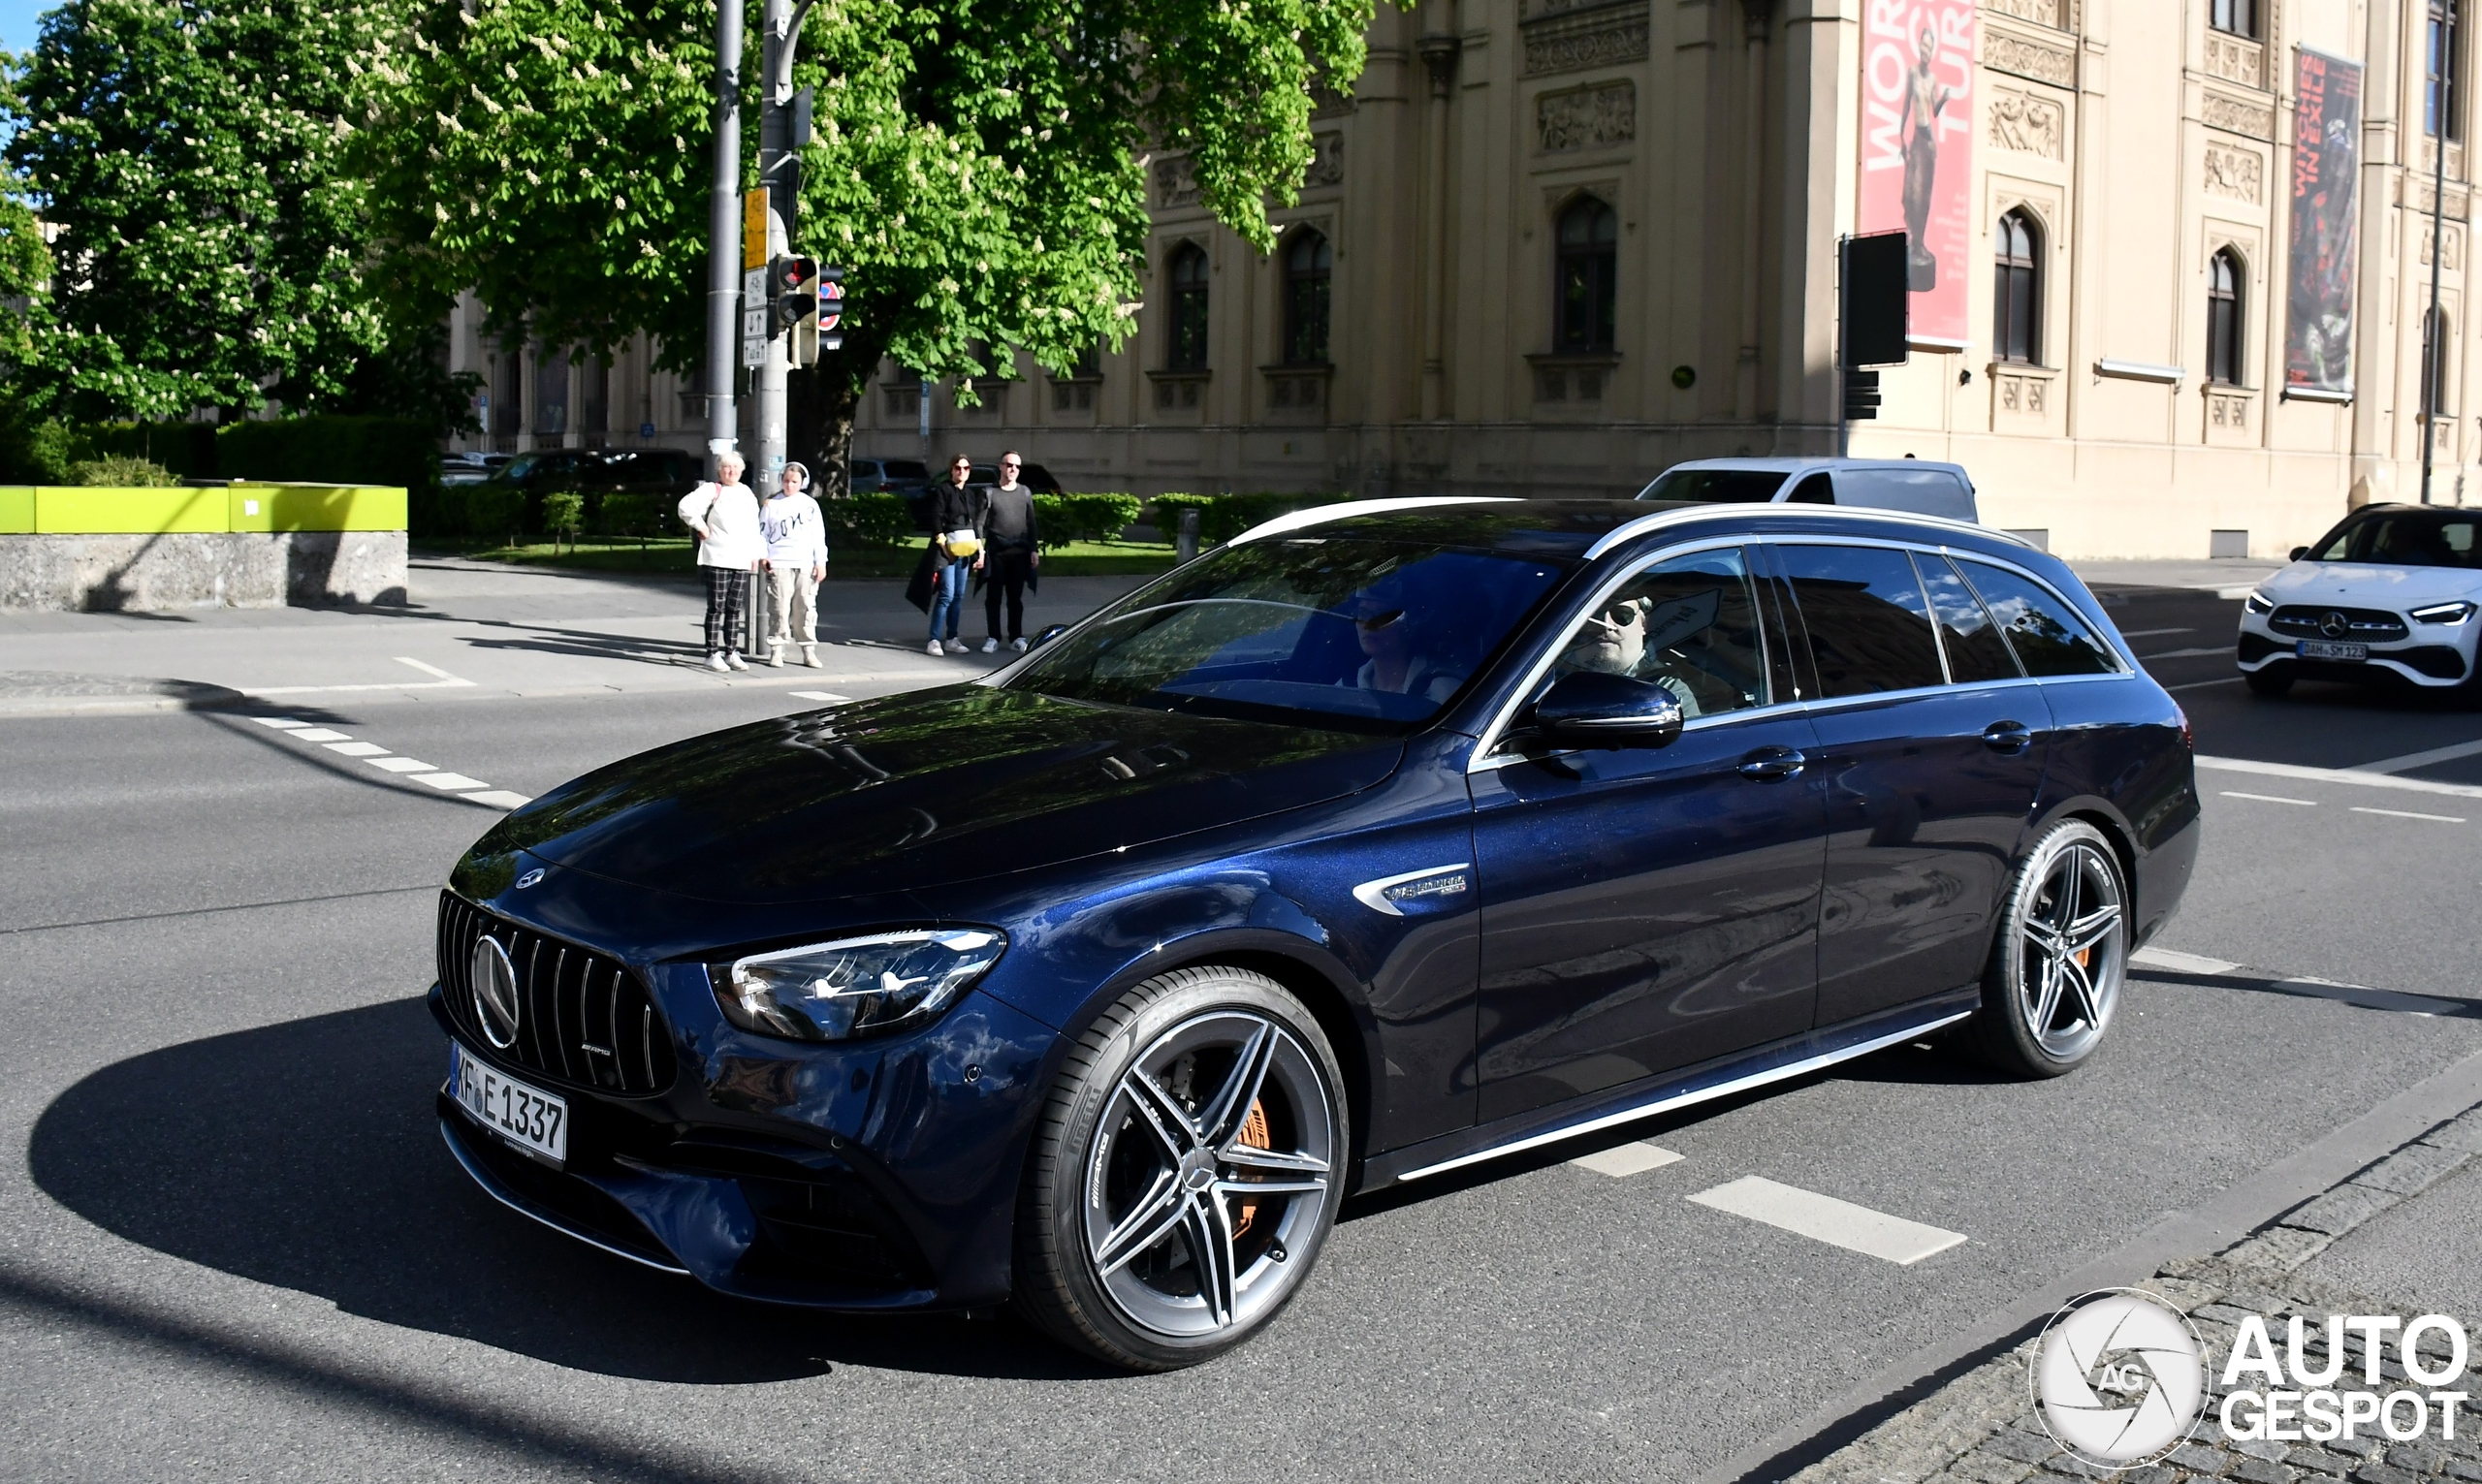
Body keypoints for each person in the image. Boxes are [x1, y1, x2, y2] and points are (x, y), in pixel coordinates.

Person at [677, 452, 763, 671]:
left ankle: (731, 651)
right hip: (717, 556)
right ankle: (711, 653)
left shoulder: (746, 493)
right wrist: (701, 526)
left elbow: (754, 526)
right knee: (716, 607)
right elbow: (685, 506)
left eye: (735, 467)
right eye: (726, 467)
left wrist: (756, 554)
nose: (731, 471)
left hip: (741, 558)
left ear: (742, 470)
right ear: (719, 470)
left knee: (734, 608)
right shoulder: (712, 490)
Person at [760, 460, 828, 667]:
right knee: (779, 607)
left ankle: (808, 650)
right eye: (786, 481)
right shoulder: (772, 505)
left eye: (794, 481)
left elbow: (818, 536)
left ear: (802, 483)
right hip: (779, 563)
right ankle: (777, 649)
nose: (789, 485)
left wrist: (821, 562)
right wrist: (764, 556)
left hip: (805, 563)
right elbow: (761, 534)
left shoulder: (810, 505)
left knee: (806, 607)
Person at [975, 450, 1042, 652]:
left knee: (1015, 598)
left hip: (1019, 553)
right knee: (993, 597)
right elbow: (979, 524)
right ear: (1001, 467)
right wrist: (980, 550)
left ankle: (1016, 637)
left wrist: (1034, 549)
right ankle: (993, 637)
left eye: (1017, 466)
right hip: (996, 554)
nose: (1013, 469)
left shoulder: (1024, 492)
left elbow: (1031, 523)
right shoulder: (989, 492)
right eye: (1009, 465)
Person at [922, 454, 983, 655]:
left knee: (958, 595)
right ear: (951, 470)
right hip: (947, 549)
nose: (962, 472)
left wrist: (979, 551)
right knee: (946, 595)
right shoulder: (944, 490)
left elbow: (974, 524)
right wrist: (943, 546)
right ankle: (933, 639)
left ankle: (952, 638)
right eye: (958, 468)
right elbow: (936, 519)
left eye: (966, 468)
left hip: (965, 549)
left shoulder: (970, 493)